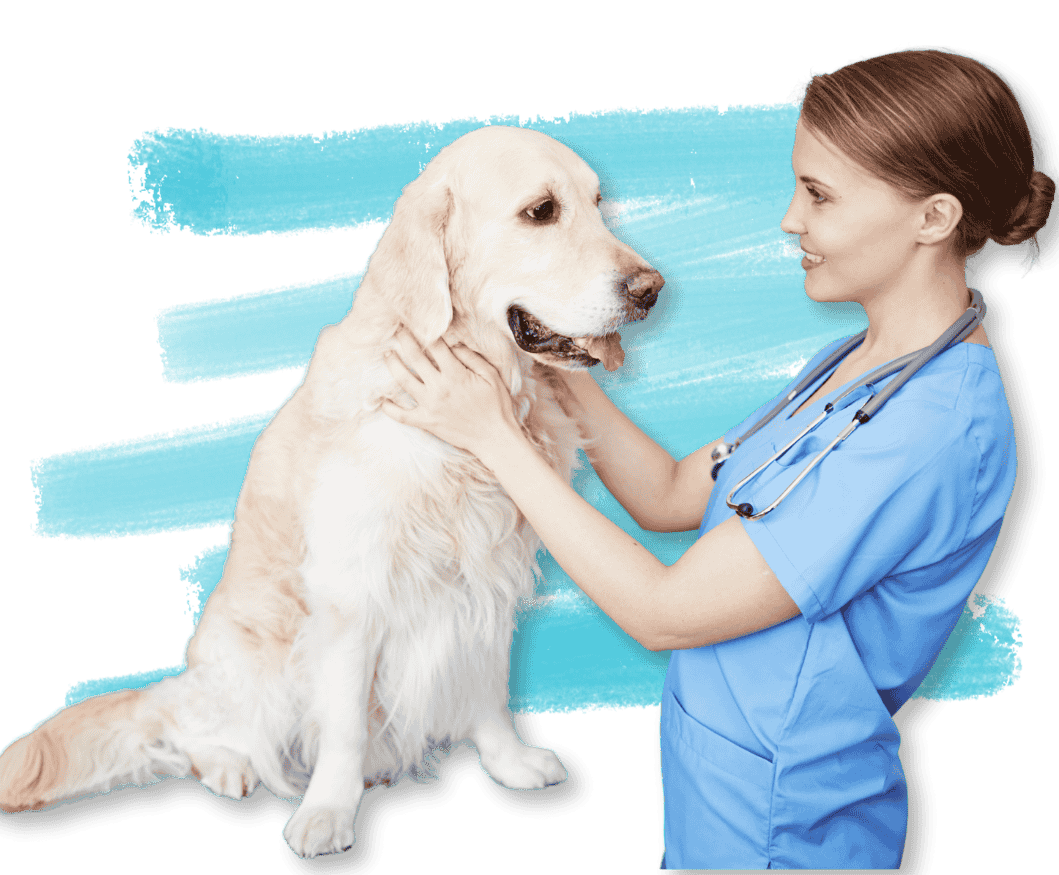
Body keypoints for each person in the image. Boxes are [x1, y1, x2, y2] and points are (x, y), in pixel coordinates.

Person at [381, 49, 1055, 869]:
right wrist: (565, 368)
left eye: (819, 195)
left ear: (934, 217)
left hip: (790, 824)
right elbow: (671, 495)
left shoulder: (930, 433)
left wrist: (493, 437)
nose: (789, 221)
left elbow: (664, 610)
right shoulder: (853, 362)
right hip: (722, 786)